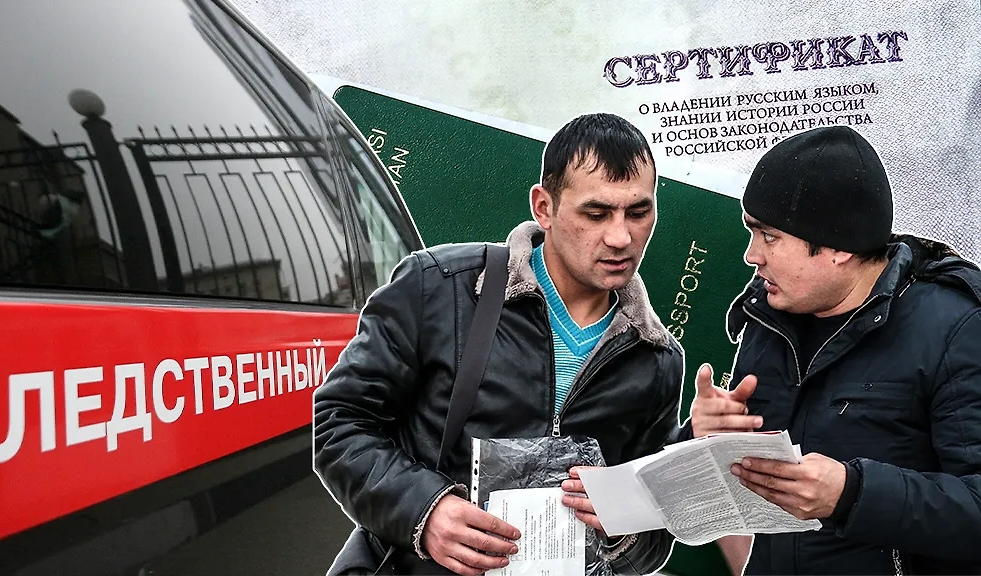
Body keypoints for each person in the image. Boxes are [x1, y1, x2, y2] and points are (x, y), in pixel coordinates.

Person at [313, 113, 684, 575]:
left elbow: (652, 537)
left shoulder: (657, 359)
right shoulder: (439, 287)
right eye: (596, 214)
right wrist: (424, 512)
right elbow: (339, 422)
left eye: (638, 212)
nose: (620, 237)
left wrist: (621, 529)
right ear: (544, 207)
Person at [677, 125, 981, 574]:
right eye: (752, 231)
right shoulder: (768, 315)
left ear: (838, 248)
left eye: (769, 236)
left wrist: (853, 494)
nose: (751, 255)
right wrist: (701, 436)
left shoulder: (955, 328)